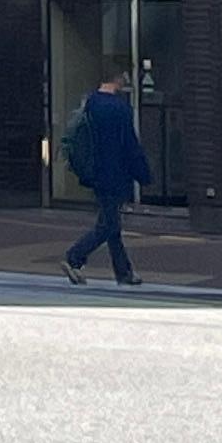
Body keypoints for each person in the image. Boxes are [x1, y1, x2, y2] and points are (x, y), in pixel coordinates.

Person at [63, 68, 155, 287]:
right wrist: (143, 175)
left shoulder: (89, 103)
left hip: (93, 172)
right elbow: (130, 147)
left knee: (111, 222)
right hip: (115, 174)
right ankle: (75, 257)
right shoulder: (120, 109)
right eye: (124, 76)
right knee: (108, 225)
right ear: (117, 78)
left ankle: (124, 272)